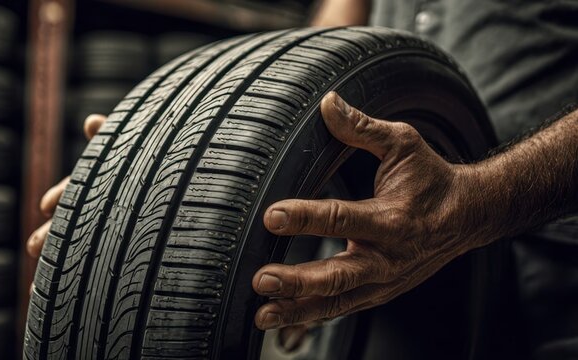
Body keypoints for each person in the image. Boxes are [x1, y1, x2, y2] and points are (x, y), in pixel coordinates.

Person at [29, 0, 578, 356]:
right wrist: (171, 150)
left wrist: (475, 202)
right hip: (385, 279)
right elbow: (322, 51)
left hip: (551, 301)